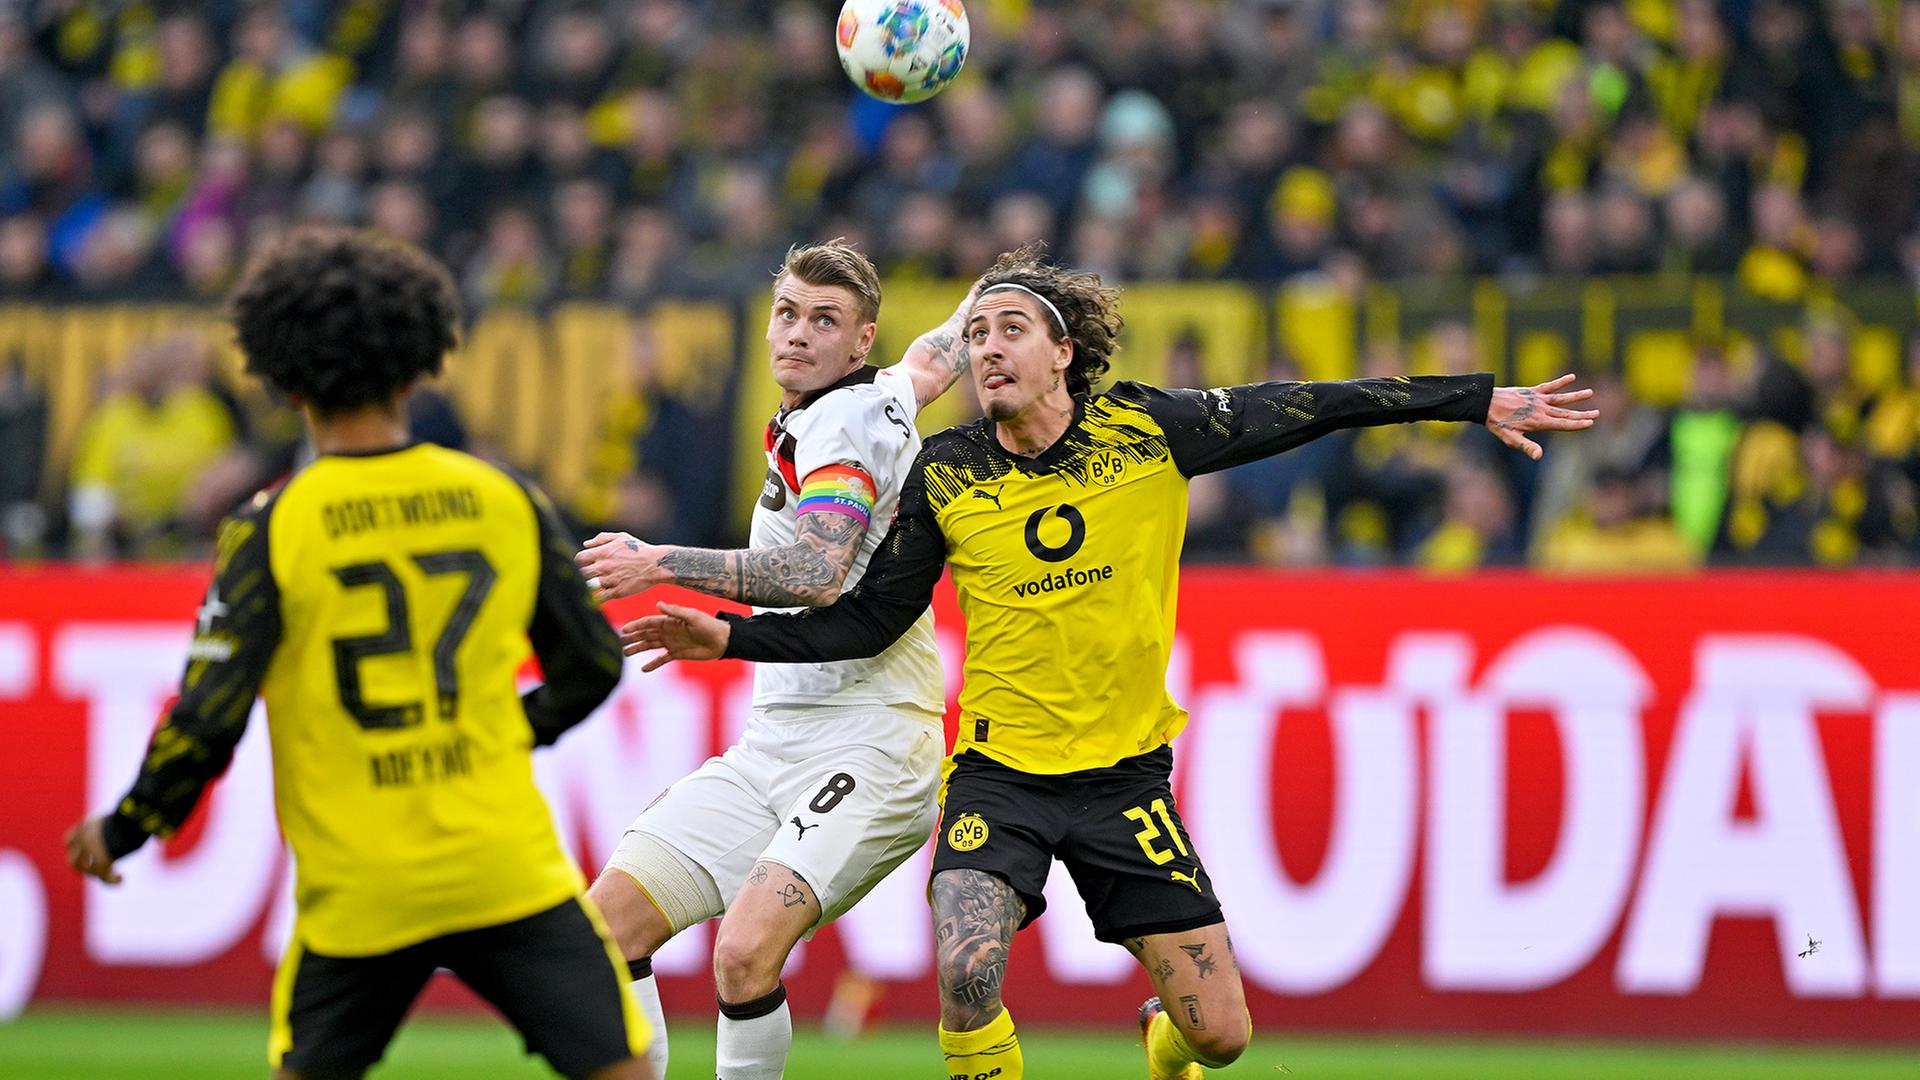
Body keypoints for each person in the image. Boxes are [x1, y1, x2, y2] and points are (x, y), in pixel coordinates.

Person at [625, 246, 1597, 1080]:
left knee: (1221, 1038)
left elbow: (1309, 406)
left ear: (1064, 353)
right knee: (965, 970)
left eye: (1012, 331)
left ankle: (1163, 1040)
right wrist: (730, 637)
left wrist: (1475, 400)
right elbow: (871, 619)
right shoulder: (948, 470)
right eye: (979, 334)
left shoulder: (1145, 431)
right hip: (998, 776)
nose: (988, 348)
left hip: (1123, 781)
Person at [62, 227, 653, 1080]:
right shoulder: (502, 499)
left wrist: (127, 826)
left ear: (284, 380)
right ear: (416, 367)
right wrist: (507, 730)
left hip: (360, 890)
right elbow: (592, 665)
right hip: (502, 867)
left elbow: (208, 720)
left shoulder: (271, 529)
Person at [571, 240, 976, 1080]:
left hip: (870, 746)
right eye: (788, 313)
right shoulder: (877, 393)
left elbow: (815, 570)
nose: (797, 333)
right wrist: (993, 292)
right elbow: (935, 359)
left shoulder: (842, 423)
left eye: (824, 321)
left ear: (859, 341)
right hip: (775, 746)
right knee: (604, 932)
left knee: (743, 952)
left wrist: (660, 560)